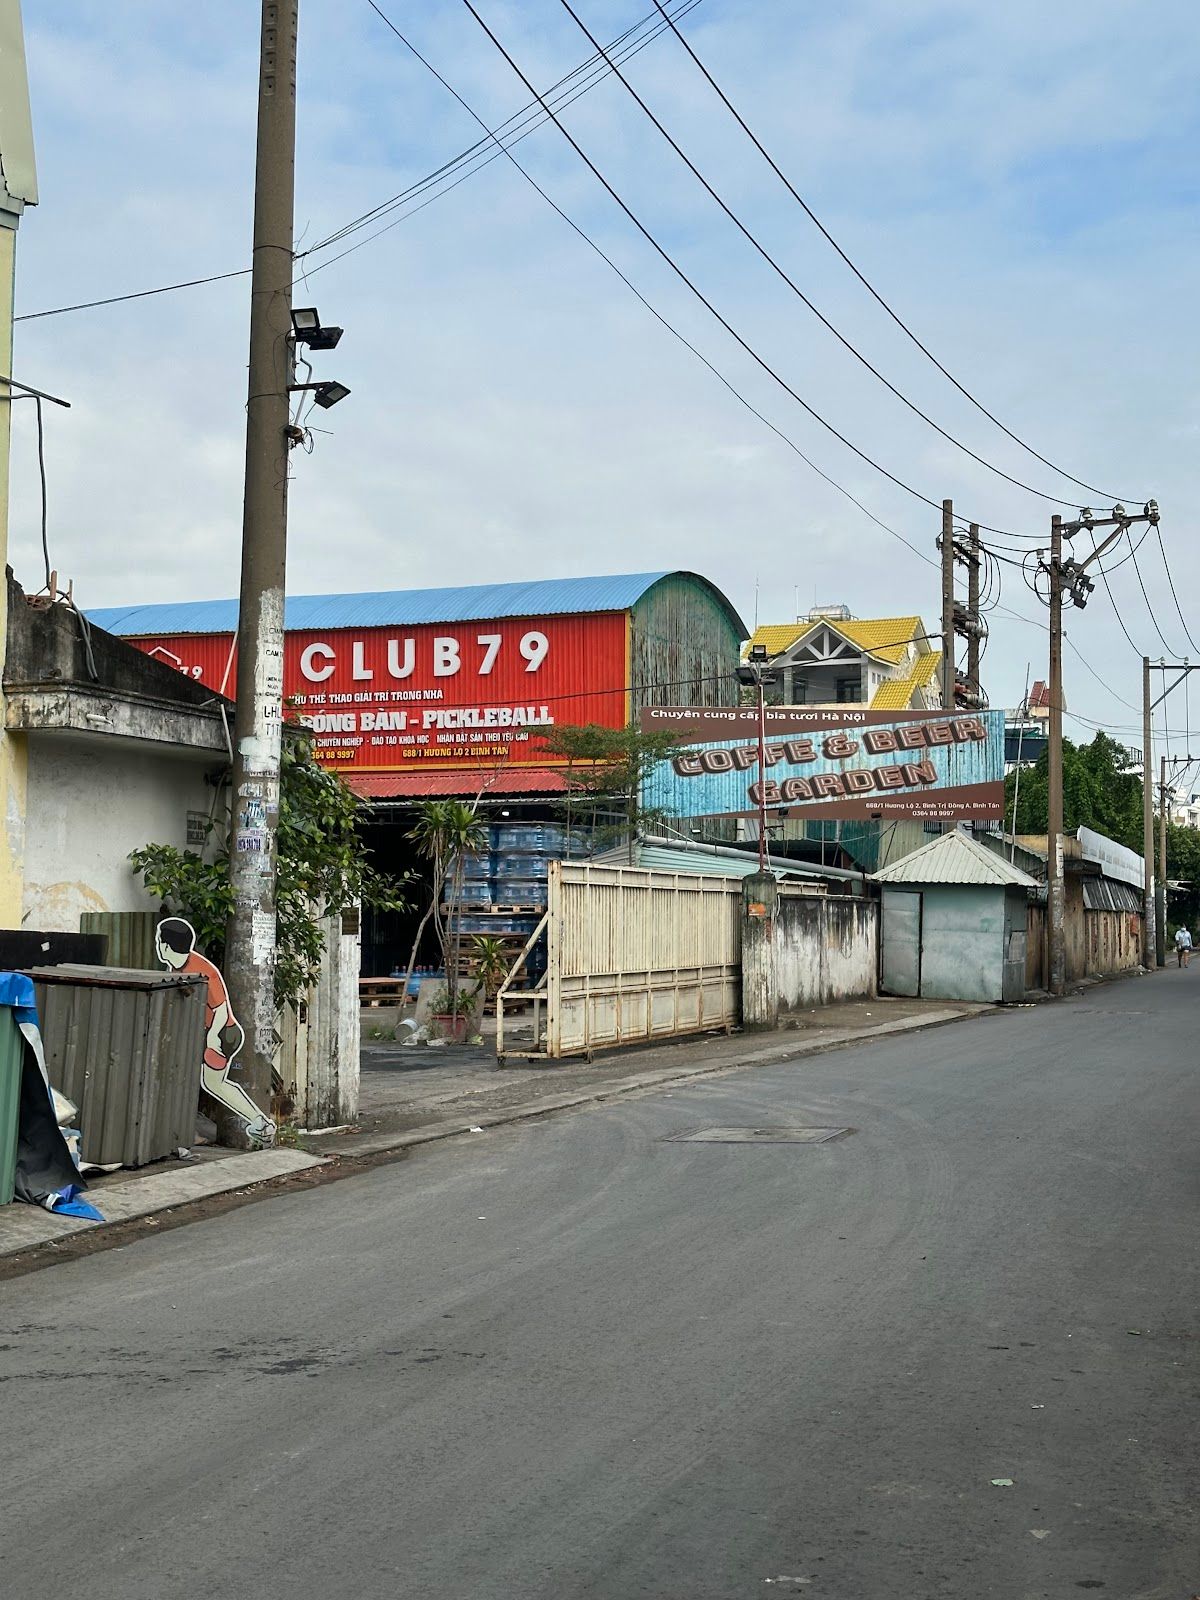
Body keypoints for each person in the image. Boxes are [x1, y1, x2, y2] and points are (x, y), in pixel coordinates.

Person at [155, 918, 277, 1146]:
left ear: (165, 945)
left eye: (159, 941)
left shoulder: (202, 970)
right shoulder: (176, 964)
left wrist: (212, 1040)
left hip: (222, 1034)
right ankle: (259, 1123)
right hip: (205, 1033)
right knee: (197, 1080)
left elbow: (221, 1009)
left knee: (212, 1083)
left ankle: (261, 1124)